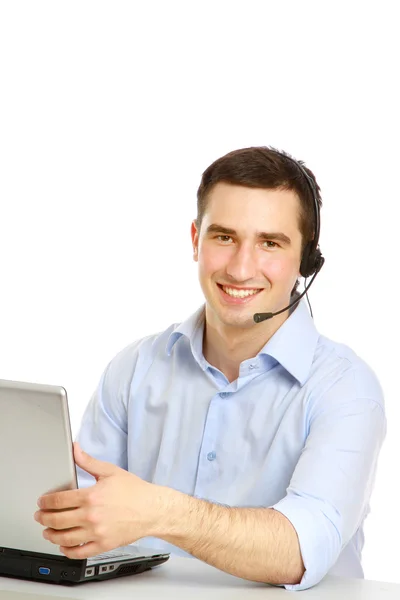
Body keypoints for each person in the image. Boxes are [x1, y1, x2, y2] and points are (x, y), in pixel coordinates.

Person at [34, 147, 386, 591]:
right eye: (224, 237)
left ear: (306, 260)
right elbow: (74, 521)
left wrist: (160, 511)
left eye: (270, 243)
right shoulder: (134, 368)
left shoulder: (347, 389)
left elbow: (299, 550)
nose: (240, 268)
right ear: (196, 239)